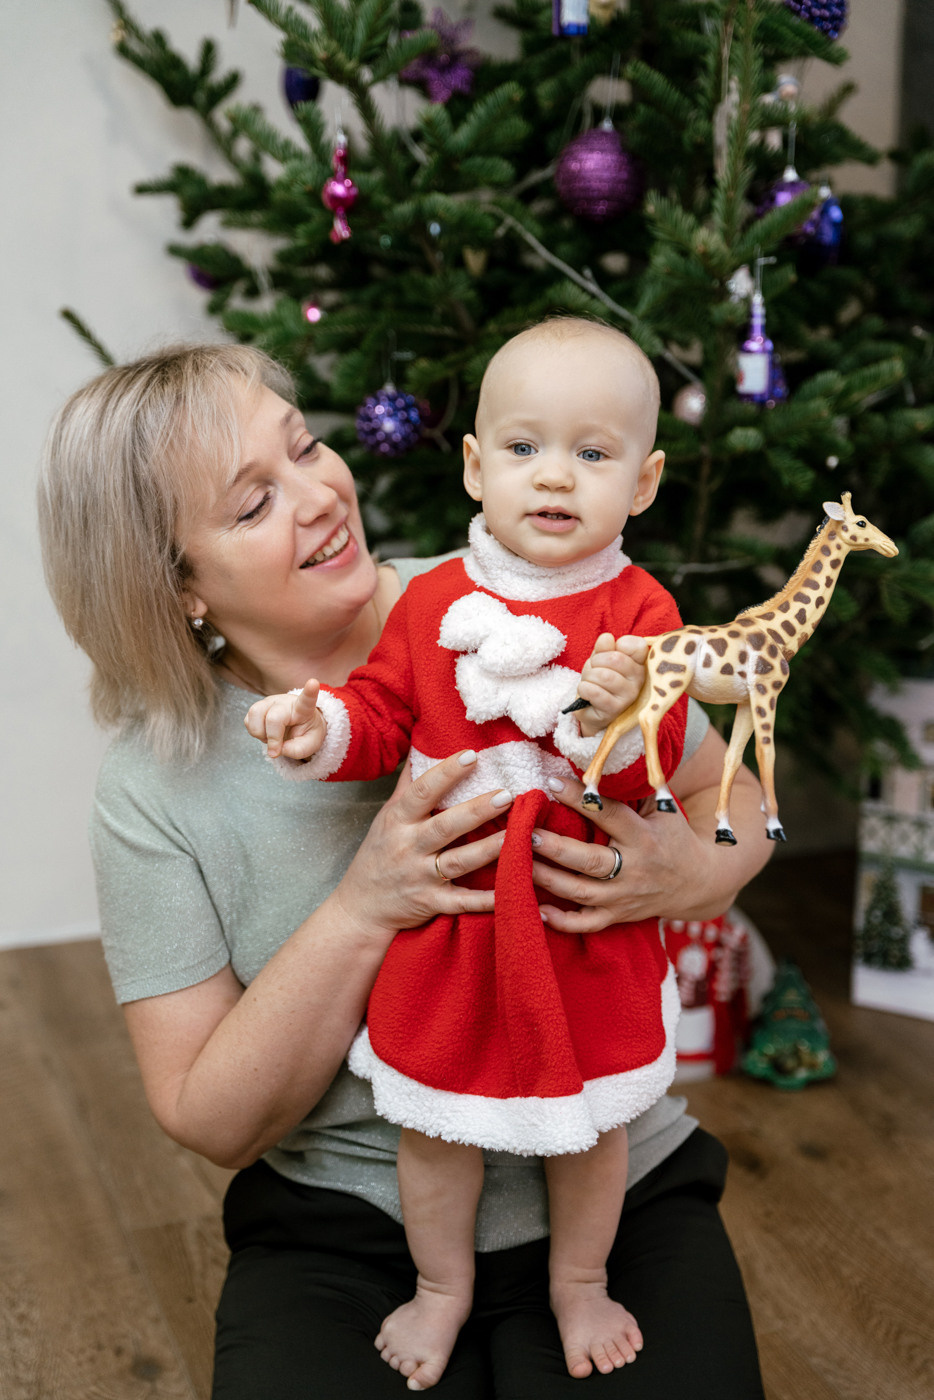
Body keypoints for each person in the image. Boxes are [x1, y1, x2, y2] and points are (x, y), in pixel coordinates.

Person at [38, 340, 771, 1400]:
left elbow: (735, 799)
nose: (319, 497)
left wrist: (680, 875)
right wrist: (362, 906)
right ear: (178, 584)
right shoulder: (154, 785)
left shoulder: (513, 593)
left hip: (610, 1169)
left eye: (304, 448)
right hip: (353, 1221)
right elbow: (209, 1116)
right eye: (253, 504)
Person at [246, 319, 690, 1390]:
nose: (556, 476)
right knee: (434, 1125)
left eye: (593, 453)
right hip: (456, 922)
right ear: (475, 467)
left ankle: (579, 1279)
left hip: (573, 924)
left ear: (642, 483)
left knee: (594, 1126)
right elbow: (383, 711)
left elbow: (654, 770)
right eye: (526, 447)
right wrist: (322, 727)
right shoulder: (436, 599)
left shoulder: (641, 612)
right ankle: (440, 1285)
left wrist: (619, 718)